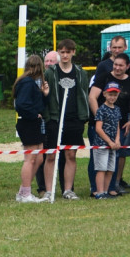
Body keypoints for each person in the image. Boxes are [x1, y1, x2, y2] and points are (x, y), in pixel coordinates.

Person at [43, 38, 90, 201]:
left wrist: (83, 116)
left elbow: (84, 94)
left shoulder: (80, 72)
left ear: (73, 53)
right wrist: (49, 118)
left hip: (73, 119)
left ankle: (68, 190)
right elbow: (46, 96)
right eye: (62, 52)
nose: (64, 55)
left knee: (70, 155)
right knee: (51, 155)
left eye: (67, 52)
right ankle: (49, 191)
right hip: (55, 120)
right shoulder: (51, 72)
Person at [87, 53, 130, 196]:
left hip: (118, 125)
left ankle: (110, 188)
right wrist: (101, 117)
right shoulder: (103, 77)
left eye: (121, 65)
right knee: (97, 159)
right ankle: (96, 190)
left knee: (113, 158)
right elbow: (92, 97)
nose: (117, 67)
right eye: (115, 64)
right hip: (99, 128)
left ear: (127, 66)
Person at [12, 54, 50, 203]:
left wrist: (44, 95)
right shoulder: (27, 83)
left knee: (39, 158)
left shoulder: (29, 83)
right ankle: (26, 193)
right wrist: (34, 115)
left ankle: (23, 191)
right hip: (28, 123)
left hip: (34, 122)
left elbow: (37, 103)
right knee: (30, 159)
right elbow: (22, 105)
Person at [35, 51, 61, 196]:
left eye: (52, 61)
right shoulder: (38, 79)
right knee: (40, 156)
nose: (48, 64)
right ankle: (42, 188)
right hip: (41, 124)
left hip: (54, 121)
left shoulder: (59, 78)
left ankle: (59, 187)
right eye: (47, 61)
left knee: (54, 155)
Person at [92, 83, 122, 199]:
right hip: (102, 144)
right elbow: (98, 128)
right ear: (104, 94)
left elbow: (117, 126)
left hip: (113, 145)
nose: (112, 97)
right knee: (101, 168)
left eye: (115, 95)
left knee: (110, 169)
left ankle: (106, 190)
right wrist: (109, 141)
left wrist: (117, 140)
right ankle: (100, 192)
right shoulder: (101, 110)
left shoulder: (117, 109)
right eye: (110, 94)